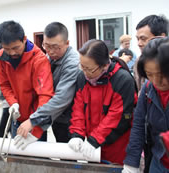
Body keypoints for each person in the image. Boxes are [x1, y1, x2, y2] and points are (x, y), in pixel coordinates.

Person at [68, 39, 137, 165]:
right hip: (91, 148)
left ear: (104, 65)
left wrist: (95, 140)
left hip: (116, 148)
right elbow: (78, 109)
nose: (85, 73)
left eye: (89, 69)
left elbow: (117, 116)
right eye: (82, 67)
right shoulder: (82, 78)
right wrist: (77, 134)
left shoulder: (122, 80)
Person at [16, 22, 80, 144]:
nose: (50, 51)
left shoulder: (72, 63)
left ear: (67, 43)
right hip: (52, 116)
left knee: (68, 154)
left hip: (69, 119)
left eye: (55, 47)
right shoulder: (49, 57)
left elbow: (62, 98)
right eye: (46, 46)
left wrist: (33, 120)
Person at [0, 20, 54, 148]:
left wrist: (36, 127)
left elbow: (45, 96)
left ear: (24, 39)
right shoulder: (1, 57)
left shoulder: (39, 60)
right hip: (17, 118)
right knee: (16, 157)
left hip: (36, 121)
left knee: (37, 160)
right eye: (7, 49)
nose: (12, 53)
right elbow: (5, 85)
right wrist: (13, 103)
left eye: (16, 48)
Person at [123, 37, 169, 173]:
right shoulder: (148, 89)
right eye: (150, 74)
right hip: (159, 160)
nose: (156, 81)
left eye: (161, 75)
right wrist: (131, 163)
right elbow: (138, 125)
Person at [134, 14, 168, 91]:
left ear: (161, 37)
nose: (139, 43)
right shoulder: (138, 61)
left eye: (143, 38)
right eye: (137, 39)